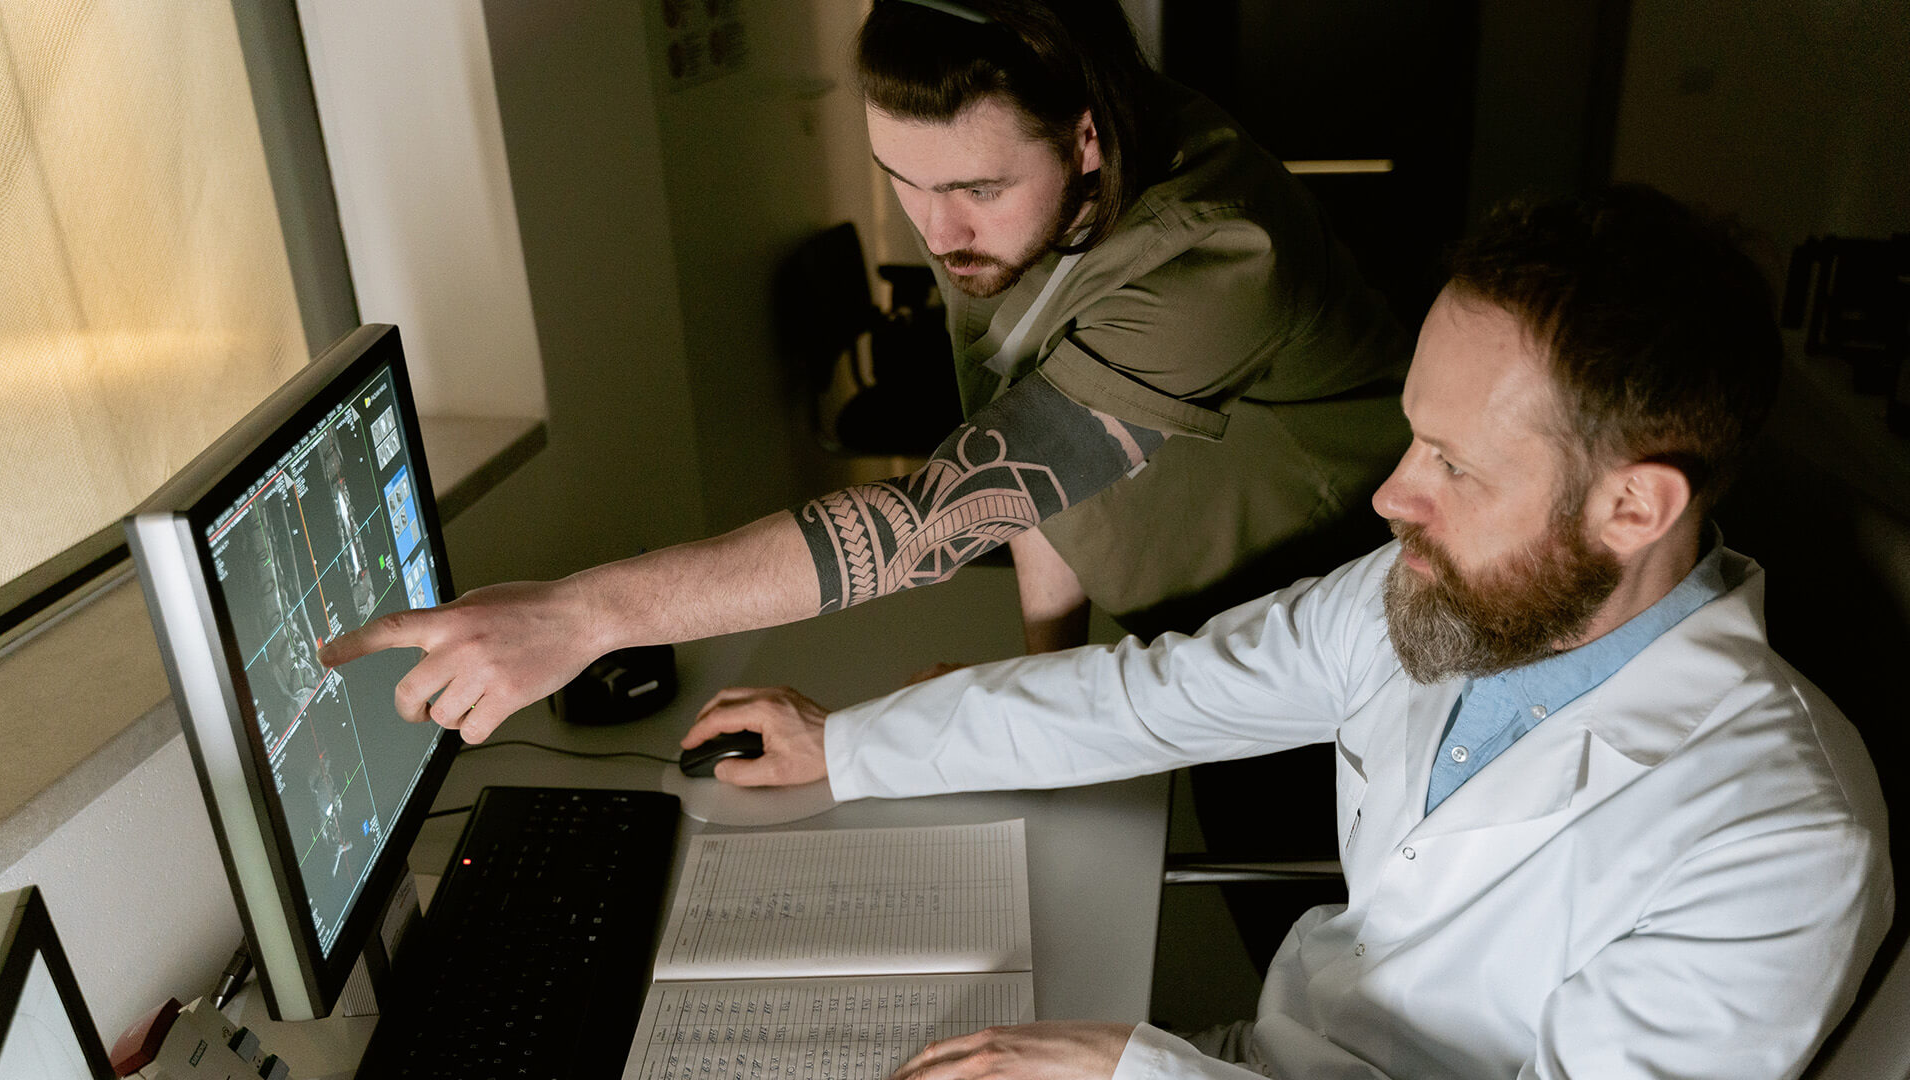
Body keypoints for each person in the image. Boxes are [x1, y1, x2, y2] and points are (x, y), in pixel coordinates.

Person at [680, 186, 1895, 1079]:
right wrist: (849, 746)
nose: (1393, 495)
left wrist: (1132, 1073)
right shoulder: (1443, 591)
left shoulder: (1779, 841)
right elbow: (1153, 698)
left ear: (1635, 507)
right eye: (1415, 435)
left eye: (1454, 464)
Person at [316, 0, 1410, 742]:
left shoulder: (1215, 259)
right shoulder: (996, 203)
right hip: (1201, 635)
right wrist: (1038, 675)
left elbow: (947, 513)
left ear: (1086, 140)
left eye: (976, 190)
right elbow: (1027, 449)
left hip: (1362, 638)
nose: (936, 230)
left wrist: (584, 616)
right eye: (903, 179)